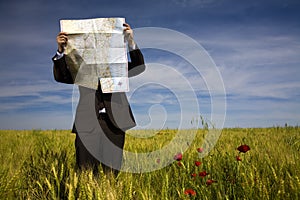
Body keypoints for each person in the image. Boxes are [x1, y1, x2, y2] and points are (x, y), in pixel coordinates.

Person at [52, 23, 145, 177]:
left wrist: (130, 42)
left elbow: (139, 66)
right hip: (87, 123)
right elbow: (61, 76)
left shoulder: (118, 66)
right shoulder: (81, 68)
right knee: (85, 171)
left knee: (112, 172)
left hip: (115, 122)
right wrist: (61, 51)